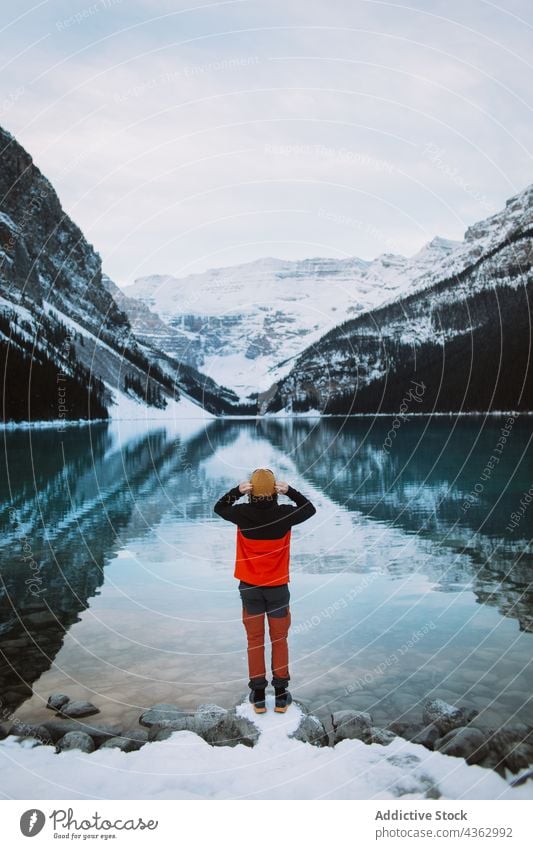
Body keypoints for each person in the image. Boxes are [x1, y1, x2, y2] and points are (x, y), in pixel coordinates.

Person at [214, 468, 316, 713]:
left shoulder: (241, 513)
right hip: (278, 589)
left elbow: (219, 508)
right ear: (274, 491)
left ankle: (258, 695)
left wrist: (235, 492)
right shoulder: (284, 514)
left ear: (250, 491)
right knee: (279, 640)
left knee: (254, 641)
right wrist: (290, 491)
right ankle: (281, 695)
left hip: (249, 588)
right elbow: (310, 509)